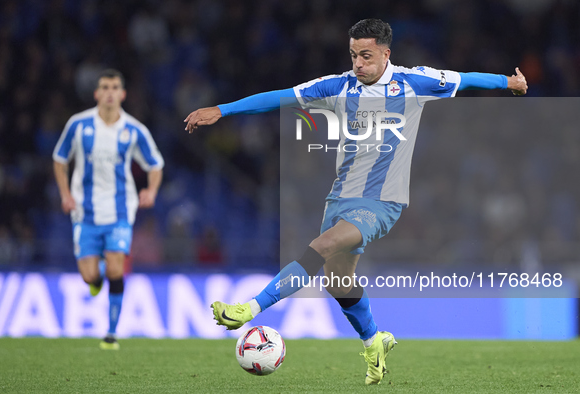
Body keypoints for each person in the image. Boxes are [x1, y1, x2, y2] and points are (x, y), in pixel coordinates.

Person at [185, 19, 527, 385]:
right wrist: (224, 109)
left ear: (385, 54)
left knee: (324, 244)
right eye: (353, 55)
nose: (358, 63)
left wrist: (510, 83)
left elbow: (466, 78)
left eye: (366, 56)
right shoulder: (337, 86)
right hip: (339, 198)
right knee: (337, 281)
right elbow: (280, 97)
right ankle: (374, 340)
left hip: (382, 202)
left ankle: (247, 309)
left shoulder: (414, 82)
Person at [53, 69, 164, 350]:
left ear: (123, 94)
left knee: (116, 268)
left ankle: (111, 333)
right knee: (90, 276)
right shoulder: (78, 125)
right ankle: (94, 277)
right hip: (84, 212)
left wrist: (150, 191)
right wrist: (65, 195)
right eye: (105, 86)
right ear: (96, 93)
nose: (110, 92)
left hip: (120, 211)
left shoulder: (135, 130)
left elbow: (156, 164)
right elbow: (59, 159)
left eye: (115, 86)